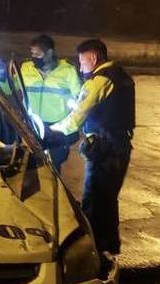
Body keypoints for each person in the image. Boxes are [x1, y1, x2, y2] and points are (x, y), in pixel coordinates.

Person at [49, 39, 135, 255]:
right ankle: (110, 245)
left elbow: (77, 116)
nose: (80, 67)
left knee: (94, 199)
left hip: (105, 149)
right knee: (107, 198)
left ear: (93, 58)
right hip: (120, 144)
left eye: (82, 62)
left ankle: (91, 252)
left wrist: (53, 131)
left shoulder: (98, 81)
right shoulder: (121, 75)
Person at [0, 34, 82, 171]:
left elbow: (80, 99)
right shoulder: (26, 68)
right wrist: (2, 77)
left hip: (56, 129)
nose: (34, 58)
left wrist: (72, 126)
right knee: (28, 167)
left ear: (49, 53)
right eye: (32, 54)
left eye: (38, 54)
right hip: (31, 126)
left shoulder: (68, 71)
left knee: (52, 168)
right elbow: (7, 89)